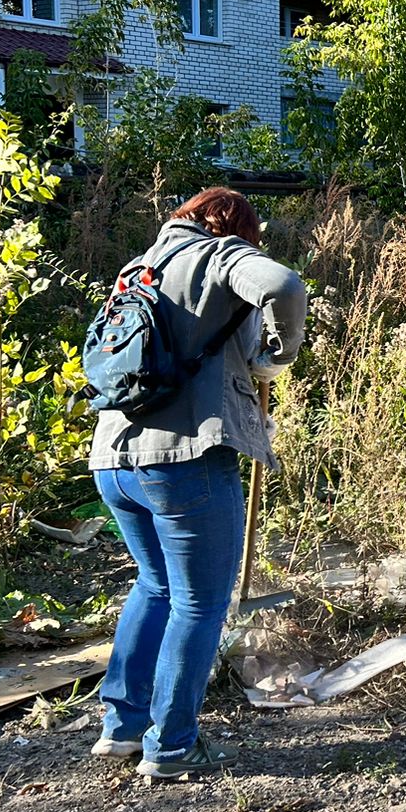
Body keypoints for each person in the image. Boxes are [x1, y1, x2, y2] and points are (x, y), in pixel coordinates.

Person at [89, 188, 307, 778]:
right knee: (200, 602)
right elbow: (285, 286)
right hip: (185, 458)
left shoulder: (137, 268)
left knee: (155, 588)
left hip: (114, 459)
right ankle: (172, 745)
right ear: (229, 226)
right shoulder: (218, 256)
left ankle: (123, 727)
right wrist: (278, 357)